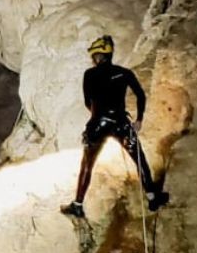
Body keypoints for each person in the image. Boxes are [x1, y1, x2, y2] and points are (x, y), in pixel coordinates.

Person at [60, 35, 169, 218]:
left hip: (98, 124)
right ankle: (152, 197)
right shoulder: (124, 73)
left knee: (87, 164)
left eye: (94, 55)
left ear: (100, 56)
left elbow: (88, 101)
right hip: (120, 122)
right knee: (139, 158)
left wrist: (98, 117)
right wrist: (139, 120)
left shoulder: (89, 74)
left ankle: (78, 204)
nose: (92, 58)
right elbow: (140, 95)